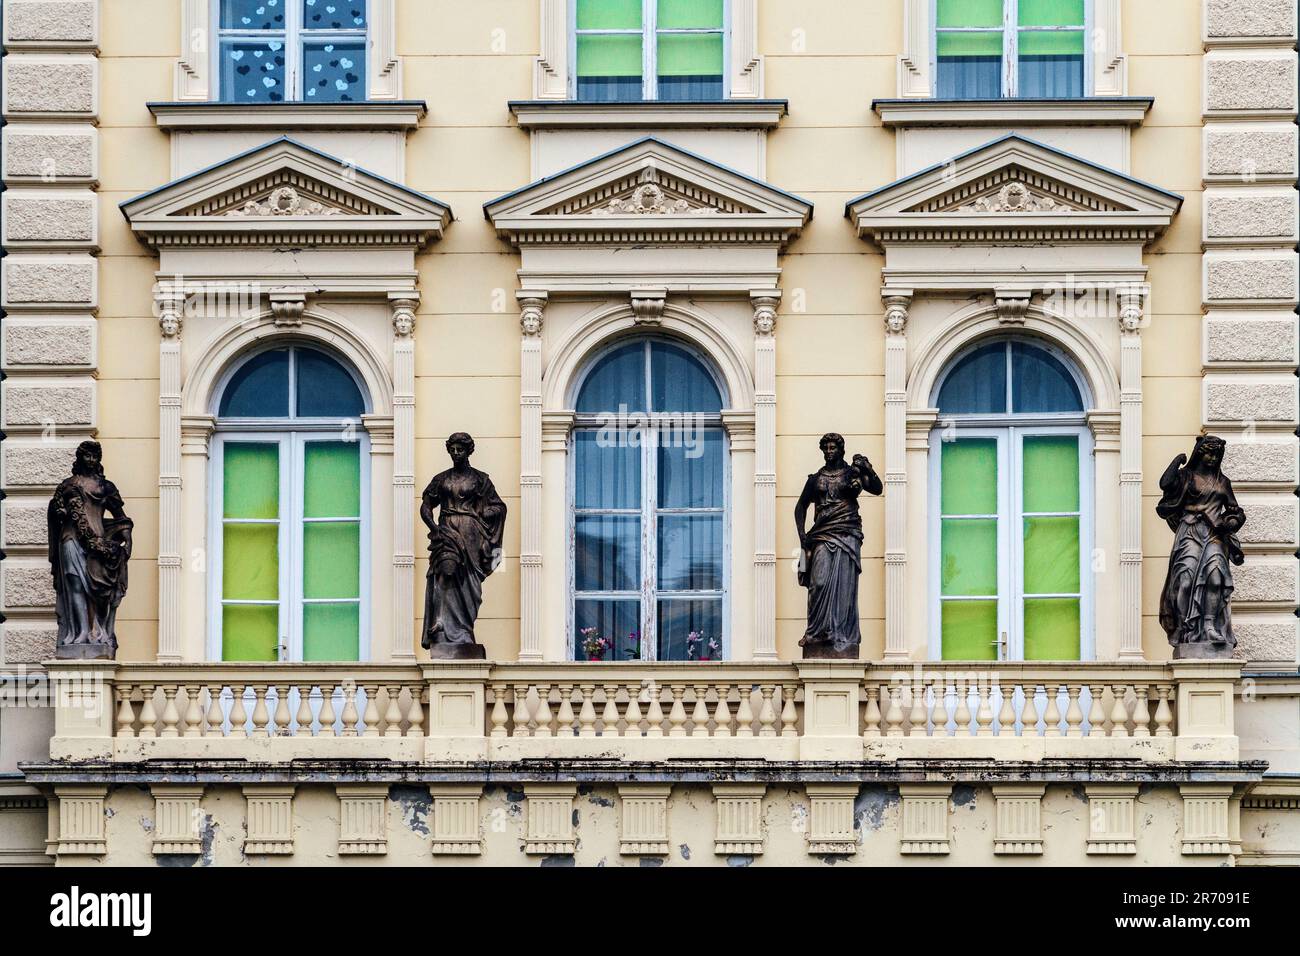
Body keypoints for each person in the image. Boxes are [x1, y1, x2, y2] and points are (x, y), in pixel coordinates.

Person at [1155, 434, 1246, 658]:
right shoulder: (1186, 476)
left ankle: (1208, 626)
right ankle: (1186, 628)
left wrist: (1228, 522)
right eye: (1208, 453)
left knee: (1216, 577)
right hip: (1189, 533)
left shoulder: (1222, 482)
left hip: (1214, 535)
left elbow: (1236, 511)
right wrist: (1177, 462)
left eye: (1216, 454)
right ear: (1199, 453)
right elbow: (1166, 484)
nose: (1213, 458)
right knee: (1184, 580)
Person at [794, 432, 882, 658]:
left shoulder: (852, 472)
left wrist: (867, 468)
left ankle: (842, 637)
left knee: (845, 587)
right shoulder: (816, 479)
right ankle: (815, 634)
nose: (829, 451)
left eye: (833, 447)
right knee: (819, 583)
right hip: (822, 534)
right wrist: (802, 535)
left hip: (847, 532)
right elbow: (800, 506)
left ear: (841, 449)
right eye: (826, 448)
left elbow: (877, 488)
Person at [420, 433, 507, 658]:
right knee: (443, 573)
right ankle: (440, 627)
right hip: (447, 531)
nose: (456, 453)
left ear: (469, 451)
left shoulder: (480, 479)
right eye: (453, 449)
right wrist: (434, 527)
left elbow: (499, 507)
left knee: (470, 585)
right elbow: (426, 506)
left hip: (472, 534)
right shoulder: (441, 479)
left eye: (460, 449)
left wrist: (483, 513)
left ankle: (464, 631)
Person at [48, 440, 133, 659]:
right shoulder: (67, 486)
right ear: (80, 458)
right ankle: (79, 632)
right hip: (70, 539)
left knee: (96, 591)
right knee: (74, 583)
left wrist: (125, 534)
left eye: (95, 456)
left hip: (98, 544)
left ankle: (96, 631)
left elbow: (121, 517)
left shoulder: (106, 487)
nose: (91, 460)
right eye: (87, 456)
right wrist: (60, 513)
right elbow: (55, 514)